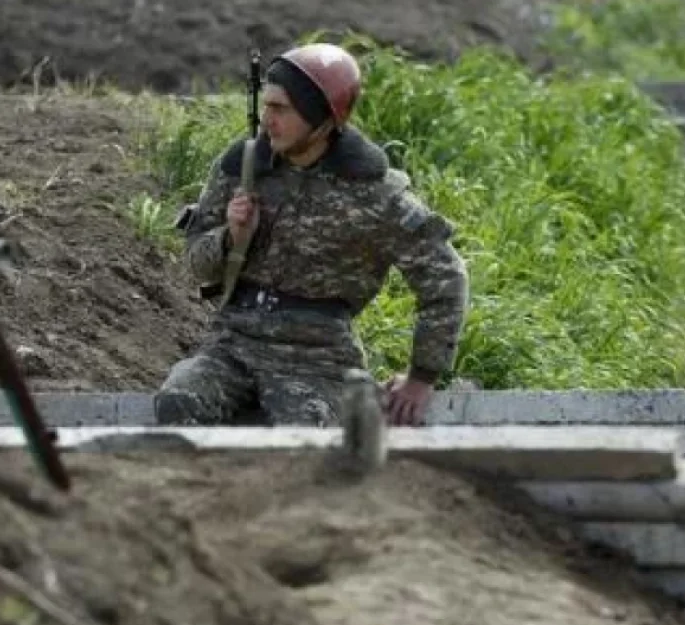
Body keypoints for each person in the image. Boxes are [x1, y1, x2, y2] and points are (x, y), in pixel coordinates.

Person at [154, 43, 469, 428]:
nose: (268, 120)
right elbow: (196, 266)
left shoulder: (375, 192)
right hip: (232, 344)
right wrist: (230, 237)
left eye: (281, 109)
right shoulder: (244, 168)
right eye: (266, 105)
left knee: (305, 435)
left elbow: (445, 278)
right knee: (178, 401)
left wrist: (422, 377)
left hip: (318, 358)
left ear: (322, 119)